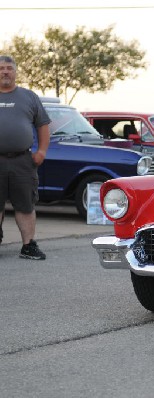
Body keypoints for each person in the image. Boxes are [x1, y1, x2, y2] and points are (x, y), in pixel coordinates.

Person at [0, 55, 51, 260]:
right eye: (1, 68)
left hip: (22, 161)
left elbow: (43, 125)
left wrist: (42, 152)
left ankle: (28, 246)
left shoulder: (29, 97)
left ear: (15, 72)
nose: (5, 72)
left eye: (9, 68)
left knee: (26, 204)